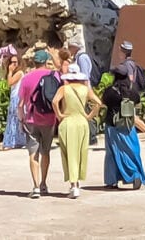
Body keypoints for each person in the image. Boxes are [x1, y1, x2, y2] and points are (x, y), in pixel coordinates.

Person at [53, 64, 101, 198]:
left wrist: (59, 115)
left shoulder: (64, 89)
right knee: (80, 153)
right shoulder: (85, 89)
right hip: (82, 122)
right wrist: (89, 116)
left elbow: (54, 102)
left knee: (69, 153)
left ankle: (73, 185)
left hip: (68, 122)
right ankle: (77, 182)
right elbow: (98, 102)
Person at [18, 49, 60, 198]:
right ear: (46, 61)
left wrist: (21, 118)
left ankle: (35, 186)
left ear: (34, 62)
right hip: (49, 119)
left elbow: (21, 103)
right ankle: (43, 183)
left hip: (31, 119)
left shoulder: (26, 78)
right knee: (46, 152)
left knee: (33, 153)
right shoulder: (54, 75)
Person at [102, 63, 145, 190]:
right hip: (128, 126)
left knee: (112, 153)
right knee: (131, 151)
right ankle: (135, 174)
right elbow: (137, 101)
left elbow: (104, 102)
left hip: (113, 125)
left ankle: (112, 180)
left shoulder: (110, 91)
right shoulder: (132, 90)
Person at [0, 45, 26, 150]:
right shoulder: (16, 73)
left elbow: (10, 83)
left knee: (15, 120)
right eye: (11, 62)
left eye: (15, 62)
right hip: (14, 97)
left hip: (17, 98)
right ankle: (16, 141)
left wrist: (10, 71)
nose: (13, 64)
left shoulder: (19, 73)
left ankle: (12, 142)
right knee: (13, 120)